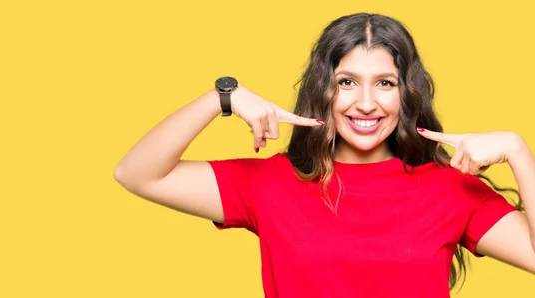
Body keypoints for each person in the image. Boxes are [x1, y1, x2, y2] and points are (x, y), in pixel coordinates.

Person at [114, 13, 534, 298]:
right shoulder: (271, 184)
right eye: (347, 82)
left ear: (406, 93)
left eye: (385, 83)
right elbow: (138, 174)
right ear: (323, 91)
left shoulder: (451, 190)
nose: (366, 103)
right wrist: (221, 99)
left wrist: (517, 149)